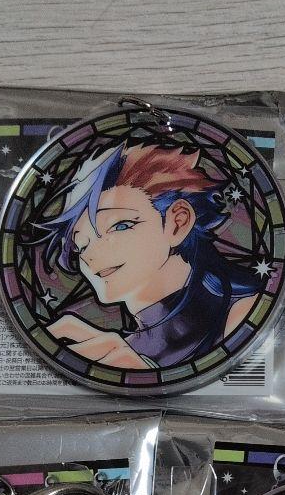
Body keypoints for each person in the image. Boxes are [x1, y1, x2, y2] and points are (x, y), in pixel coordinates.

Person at [37, 142, 262, 369]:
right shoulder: (120, 354)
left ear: (177, 222)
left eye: (119, 226)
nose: (90, 255)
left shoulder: (244, 312)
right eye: (81, 245)